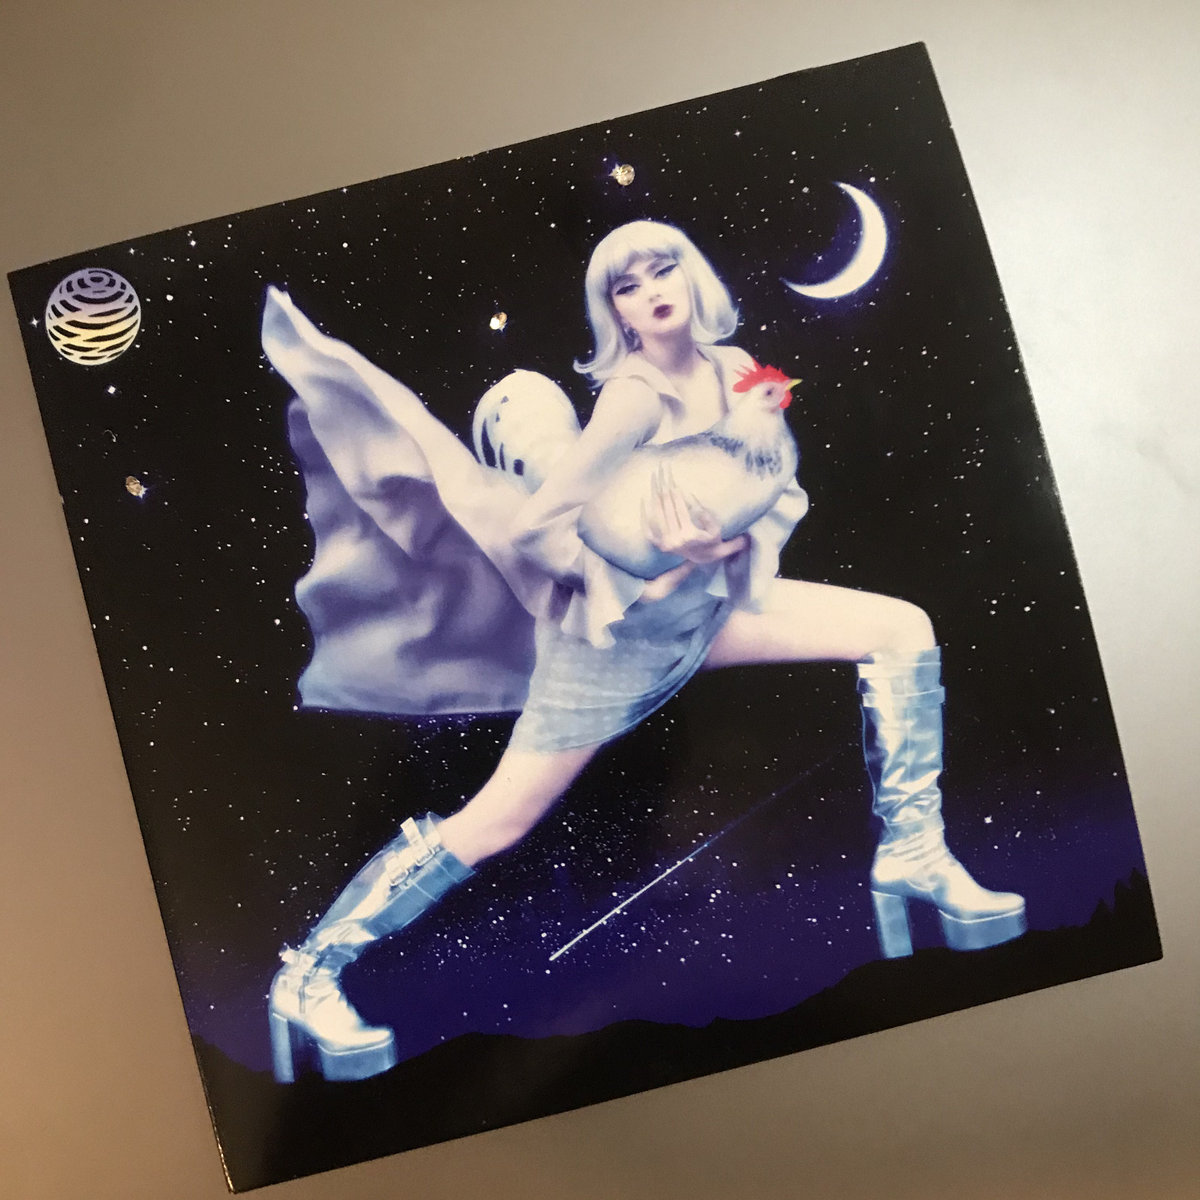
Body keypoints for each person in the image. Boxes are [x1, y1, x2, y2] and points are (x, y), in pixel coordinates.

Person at [262, 220, 1025, 1084]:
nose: (653, 291)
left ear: (692, 275)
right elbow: (540, 526)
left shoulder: (737, 371)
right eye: (628, 285)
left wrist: (714, 552)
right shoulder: (632, 398)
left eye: (664, 269)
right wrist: (657, 571)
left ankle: (914, 852)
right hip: (614, 648)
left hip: (709, 619)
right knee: (497, 821)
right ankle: (309, 973)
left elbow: (764, 494)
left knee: (900, 628)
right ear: (614, 311)